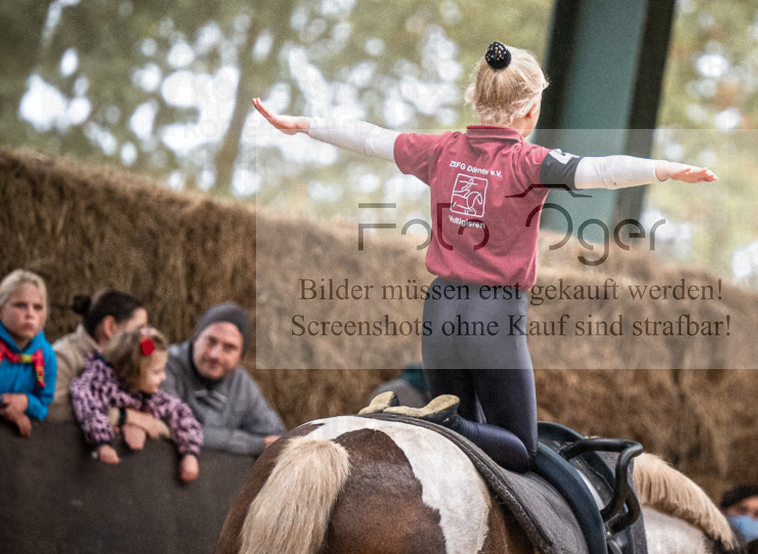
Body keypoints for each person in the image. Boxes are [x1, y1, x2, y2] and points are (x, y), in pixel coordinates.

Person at [254, 41, 716, 472]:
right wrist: (669, 171)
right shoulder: (528, 162)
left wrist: (303, 125)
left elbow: (371, 137)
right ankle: (435, 422)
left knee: (465, 444)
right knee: (517, 447)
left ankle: (407, 417)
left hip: (439, 311)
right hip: (493, 315)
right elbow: (603, 171)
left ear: (475, 96)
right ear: (531, 109)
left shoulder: (441, 150)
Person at [70, 328, 202, 483]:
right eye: (156, 372)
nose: (163, 377)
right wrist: (102, 443)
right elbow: (91, 408)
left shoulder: (150, 395)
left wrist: (190, 454)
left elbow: (181, 414)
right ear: (133, 372)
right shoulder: (99, 385)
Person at [161, 302, 285, 456]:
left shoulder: (241, 384)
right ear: (196, 338)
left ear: (240, 358)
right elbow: (173, 426)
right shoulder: (162, 366)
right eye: (211, 341)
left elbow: (275, 437)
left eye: (229, 347)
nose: (215, 355)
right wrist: (252, 444)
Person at [49, 290, 149, 422]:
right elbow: (53, 408)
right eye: (138, 330)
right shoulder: (62, 357)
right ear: (110, 327)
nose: (146, 338)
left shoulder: (129, 362)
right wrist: (123, 416)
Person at [0, 269, 57, 436]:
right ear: (1, 309)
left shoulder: (46, 356)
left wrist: (26, 402)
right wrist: (6, 408)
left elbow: (44, 405)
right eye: (20, 305)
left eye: (38, 307)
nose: (30, 314)